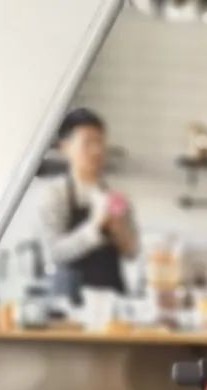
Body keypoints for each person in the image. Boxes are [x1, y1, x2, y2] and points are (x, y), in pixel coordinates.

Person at [38, 108, 138, 304]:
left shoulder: (115, 196)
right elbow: (54, 252)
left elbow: (131, 252)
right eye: (88, 142)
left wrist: (119, 228)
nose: (97, 150)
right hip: (68, 301)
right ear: (65, 147)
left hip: (112, 299)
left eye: (100, 141)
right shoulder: (54, 194)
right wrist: (96, 226)